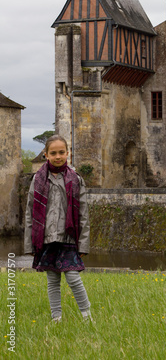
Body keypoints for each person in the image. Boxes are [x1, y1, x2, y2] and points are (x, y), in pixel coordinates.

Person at [24, 135, 92, 323]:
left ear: (67, 153)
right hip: (46, 239)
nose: (58, 156)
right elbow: (30, 212)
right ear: (46, 155)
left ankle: (87, 317)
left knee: (73, 278)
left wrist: (83, 245)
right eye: (53, 153)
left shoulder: (76, 179)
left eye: (61, 152)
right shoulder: (37, 180)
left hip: (68, 238)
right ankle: (57, 319)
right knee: (53, 281)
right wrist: (30, 244)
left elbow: (83, 214)